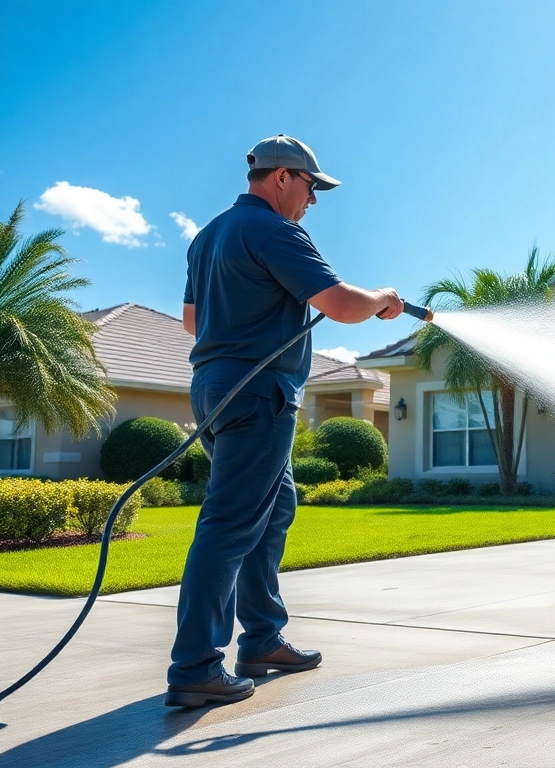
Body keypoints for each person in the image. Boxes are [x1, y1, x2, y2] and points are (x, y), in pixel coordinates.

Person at [167, 135, 404, 708]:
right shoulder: (275, 230)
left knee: (274, 508)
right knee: (230, 523)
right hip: (257, 392)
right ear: (281, 178)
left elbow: (191, 322)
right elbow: (344, 306)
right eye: (311, 187)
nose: (313, 201)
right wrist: (382, 298)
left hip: (216, 385)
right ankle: (195, 666)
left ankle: (263, 639)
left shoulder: (208, 237)